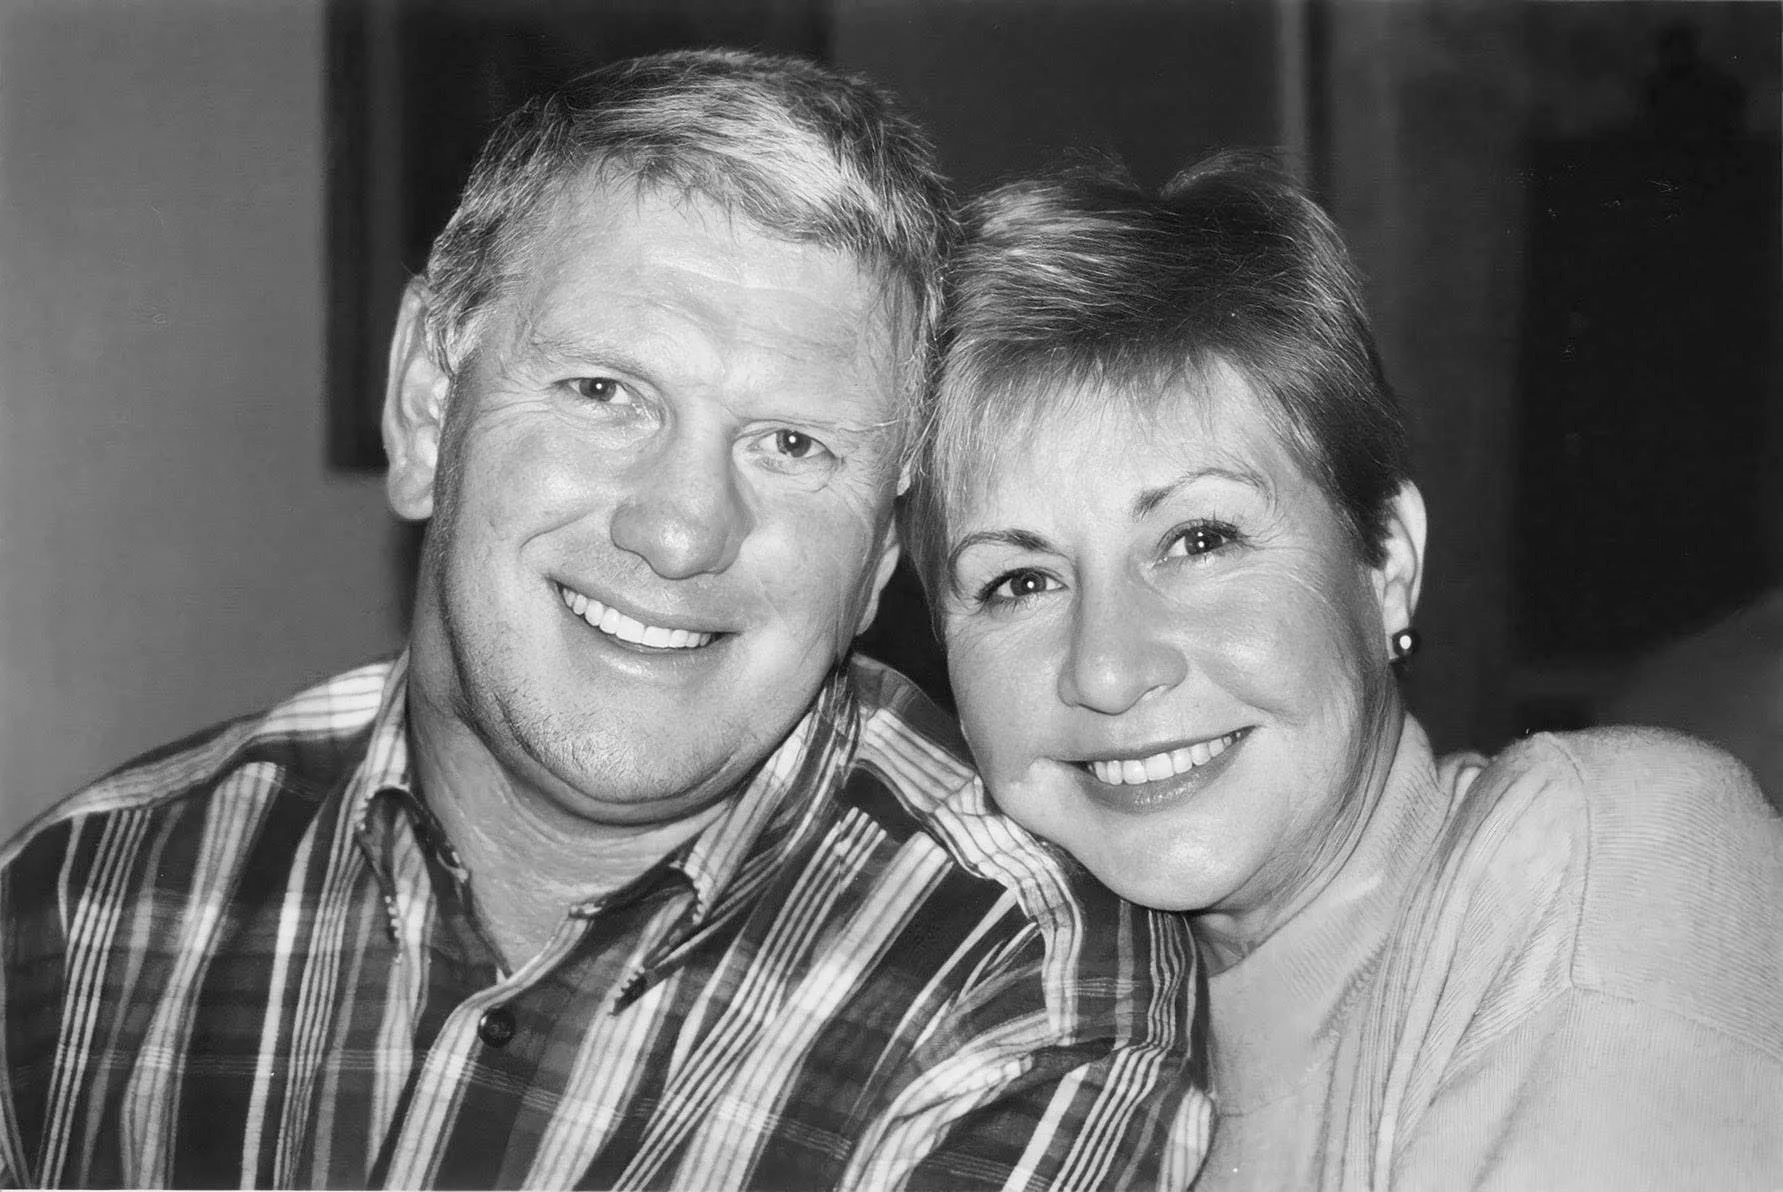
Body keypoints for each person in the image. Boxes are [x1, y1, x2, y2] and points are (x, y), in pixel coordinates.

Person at [0, 52, 1209, 1189]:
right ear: (428, 405)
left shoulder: (1026, 999)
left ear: (881, 554)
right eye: (604, 392)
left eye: (793, 445)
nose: (682, 531)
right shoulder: (76, 910)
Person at [904, 152, 1783, 1189]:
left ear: (1386, 565)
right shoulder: (1013, 1062)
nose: (1106, 669)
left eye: (1199, 539)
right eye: (1017, 582)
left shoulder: (1612, 844)